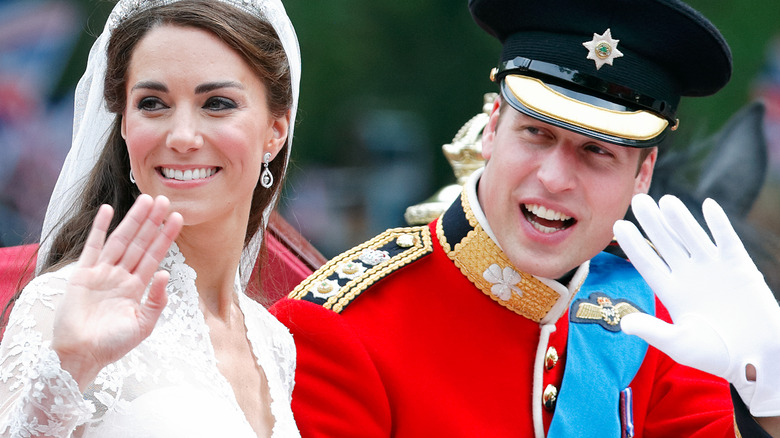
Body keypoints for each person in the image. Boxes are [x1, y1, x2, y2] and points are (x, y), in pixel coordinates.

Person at [270, 0, 780, 436]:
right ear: (492, 128)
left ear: (643, 173)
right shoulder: (340, 326)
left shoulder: (659, 324)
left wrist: (772, 395)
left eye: (597, 152)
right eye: (536, 134)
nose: (556, 178)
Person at [0, 0, 302, 436]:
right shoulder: (62, 304)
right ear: (123, 125)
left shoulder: (274, 344)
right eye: (153, 104)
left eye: (217, 103)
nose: (181, 137)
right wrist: (69, 367)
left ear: (275, 131)